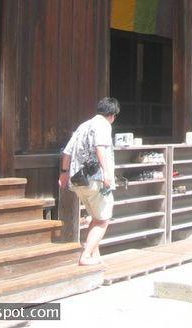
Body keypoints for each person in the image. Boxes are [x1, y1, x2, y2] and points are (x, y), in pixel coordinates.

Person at [59, 97, 119, 266]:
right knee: (103, 220)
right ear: (112, 115)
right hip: (96, 180)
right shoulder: (103, 125)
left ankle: (95, 254)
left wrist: (64, 173)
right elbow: (100, 147)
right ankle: (85, 256)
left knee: (95, 216)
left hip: (79, 180)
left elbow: (67, 152)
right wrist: (107, 173)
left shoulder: (83, 126)